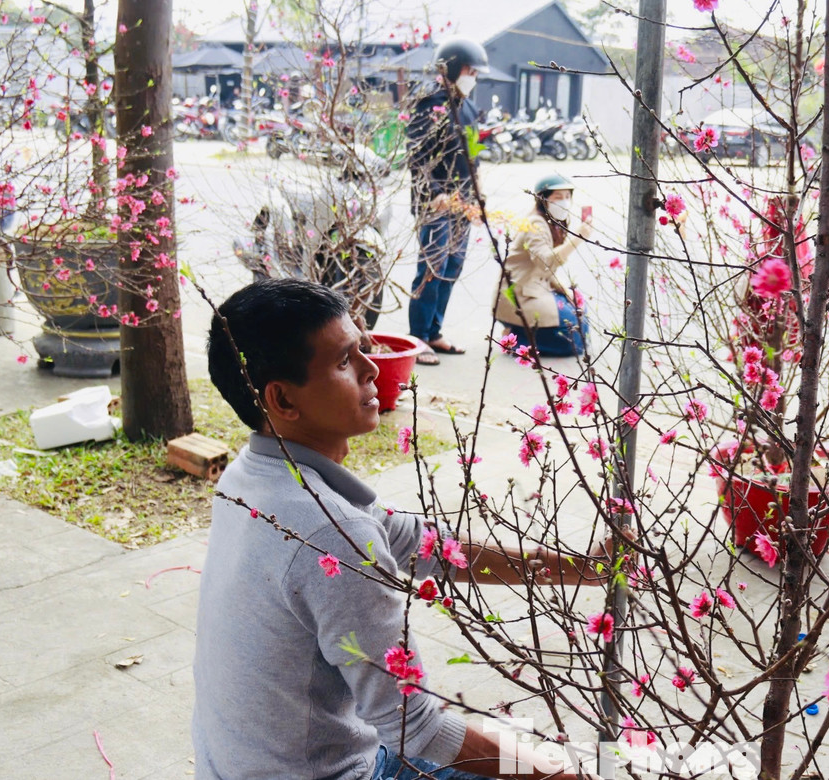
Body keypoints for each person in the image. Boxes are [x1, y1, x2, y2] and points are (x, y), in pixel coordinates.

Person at [195, 278, 607, 780]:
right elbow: (416, 729)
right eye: (346, 361)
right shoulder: (332, 535)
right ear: (282, 400)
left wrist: (584, 569)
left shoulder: (249, 475)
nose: (372, 368)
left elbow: (426, 544)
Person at [405, 38, 489, 366]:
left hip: (464, 205)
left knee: (452, 267)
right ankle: (418, 337)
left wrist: (479, 197)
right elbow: (417, 157)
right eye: (470, 71)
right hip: (435, 204)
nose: (474, 77)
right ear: (452, 68)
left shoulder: (467, 106)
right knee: (432, 269)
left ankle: (435, 331)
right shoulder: (431, 104)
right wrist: (436, 194)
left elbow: (474, 158)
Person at [494, 174, 593, 357]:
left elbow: (549, 270)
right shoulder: (535, 224)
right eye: (558, 197)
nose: (564, 202)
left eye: (567, 197)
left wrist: (563, 288)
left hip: (537, 288)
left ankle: (518, 331)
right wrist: (577, 239)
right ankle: (516, 339)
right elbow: (546, 262)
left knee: (580, 312)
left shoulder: (553, 223)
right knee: (571, 339)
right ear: (543, 199)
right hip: (519, 293)